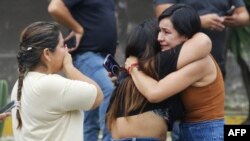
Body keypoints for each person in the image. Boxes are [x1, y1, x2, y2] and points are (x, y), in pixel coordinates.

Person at [106, 5, 212, 141]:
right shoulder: (161, 63)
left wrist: (129, 69)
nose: (162, 38)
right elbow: (204, 42)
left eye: (166, 32)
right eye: (160, 33)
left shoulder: (127, 75)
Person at [11, 21, 103, 141]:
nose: (66, 51)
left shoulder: (19, 84)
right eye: (62, 46)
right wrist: (69, 68)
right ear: (47, 53)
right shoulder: (50, 85)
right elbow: (98, 96)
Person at [48, 0, 117, 141]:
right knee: (108, 90)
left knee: (90, 112)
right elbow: (55, 7)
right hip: (88, 55)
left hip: (105, 58)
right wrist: (77, 28)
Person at [153, 0, 249, 78]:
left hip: (217, 60)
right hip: (180, 62)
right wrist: (199, 21)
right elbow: (163, 14)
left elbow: (244, 16)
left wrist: (235, 19)